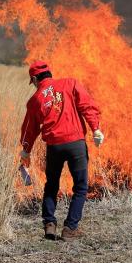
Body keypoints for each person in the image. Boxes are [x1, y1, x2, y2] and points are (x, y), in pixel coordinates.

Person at [20, 60, 105, 241]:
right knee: (81, 188)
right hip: (76, 145)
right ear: (49, 73)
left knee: (51, 186)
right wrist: (95, 128)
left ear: (34, 79)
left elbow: (30, 128)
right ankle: (70, 229)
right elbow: (86, 106)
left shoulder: (35, 100)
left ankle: (49, 224)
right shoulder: (70, 83)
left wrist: (26, 150)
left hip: (54, 147)